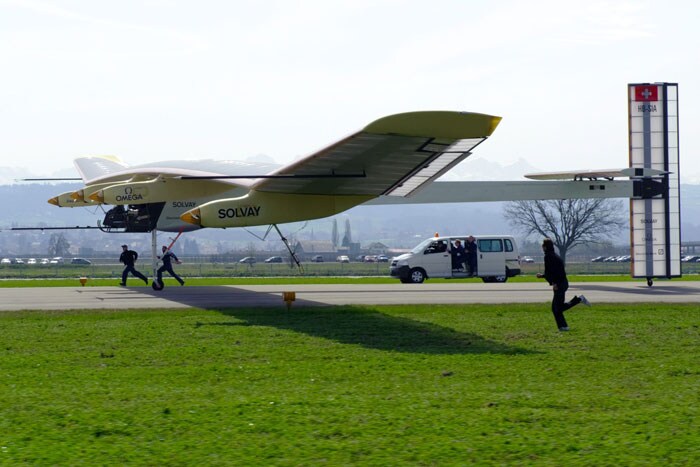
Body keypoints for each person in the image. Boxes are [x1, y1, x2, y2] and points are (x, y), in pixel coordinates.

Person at [536, 238, 591, 331]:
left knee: (558, 308)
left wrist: (554, 283)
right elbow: (554, 272)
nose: (542, 247)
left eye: (543, 246)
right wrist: (544, 276)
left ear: (545, 247)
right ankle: (563, 326)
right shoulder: (553, 255)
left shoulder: (548, 256)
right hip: (562, 282)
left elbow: (551, 272)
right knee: (555, 308)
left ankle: (579, 300)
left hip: (560, 284)